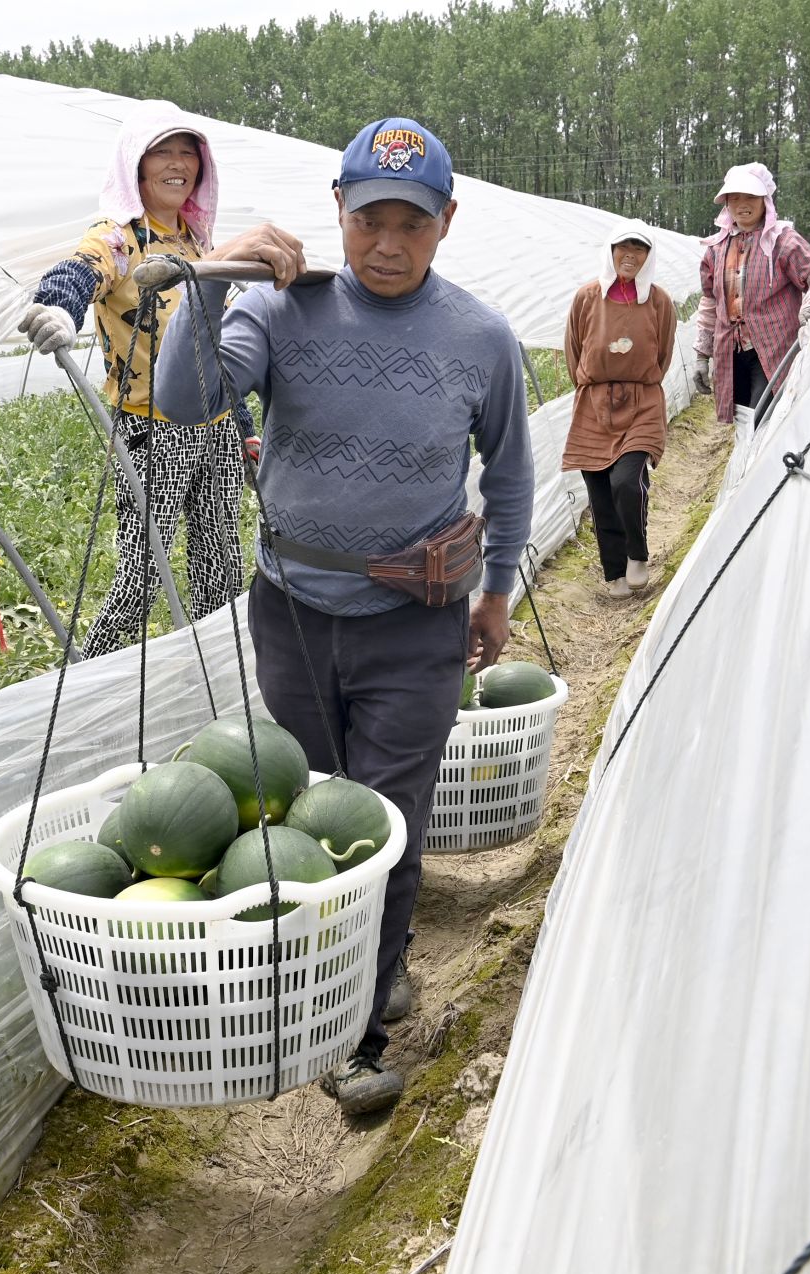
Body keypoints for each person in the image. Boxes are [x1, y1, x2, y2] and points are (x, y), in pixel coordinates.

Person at [155, 117, 534, 1117]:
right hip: (293, 611)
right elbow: (184, 397)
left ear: (446, 222)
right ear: (340, 212)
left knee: (385, 822)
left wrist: (495, 588)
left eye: (411, 221)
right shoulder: (284, 311)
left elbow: (512, 466)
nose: (387, 242)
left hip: (416, 620)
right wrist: (217, 280)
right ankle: (361, 974)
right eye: (370, 218)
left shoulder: (481, 339)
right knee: (317, 809)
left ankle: (359, 1032)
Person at [16, 101, 265, 655]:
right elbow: (82, 268)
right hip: (153, 428)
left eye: (188, 152)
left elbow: (214, 344)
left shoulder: (198, 242)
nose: (178, 164)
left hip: (217, 424)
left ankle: (212, 671)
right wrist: (60, 307)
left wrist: (244, 428)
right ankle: (92, 677)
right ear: (136, 164)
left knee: (219, 563)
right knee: (141, 575)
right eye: (163, 152)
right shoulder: (120, 238)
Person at [562, 220, 676, 599]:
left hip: (642, 400)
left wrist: (635, 379)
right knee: (598, 490)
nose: (630, 255)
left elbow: (663, 352)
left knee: (626, 481)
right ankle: (615, 572)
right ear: (611, 253)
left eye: (639, 249)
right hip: (594, 403)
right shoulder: (586, 297)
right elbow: (574, 350)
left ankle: (637, 553)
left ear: (648, 256)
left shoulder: (658, 301)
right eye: (623, 248)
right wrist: (594, 385)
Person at [691, 162, 810, 426]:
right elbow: (710, 302)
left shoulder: (782, 241)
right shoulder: (717, 248)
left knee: (763, 419)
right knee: (743, 422)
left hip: (772, 349)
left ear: (764, 200)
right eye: (734, 198)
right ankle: (747, 467)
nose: (742, 204)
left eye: (750, 197)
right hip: (732, 352)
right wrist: (702, 354)